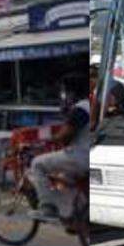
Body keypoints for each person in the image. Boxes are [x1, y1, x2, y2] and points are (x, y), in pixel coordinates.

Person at [28, 72, 90, 220]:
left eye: (64, 91)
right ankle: (76, 214)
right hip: (87, 154)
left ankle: (47, 207)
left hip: (79, 156)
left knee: (37, 164)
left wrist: (45, 142)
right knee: (67, 180)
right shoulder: (88, 105)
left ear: (71, 92)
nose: (63, 95)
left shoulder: (79, 110)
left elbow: (65, 135)